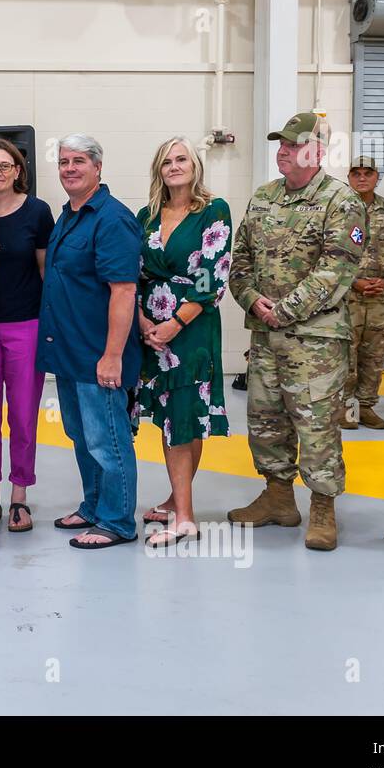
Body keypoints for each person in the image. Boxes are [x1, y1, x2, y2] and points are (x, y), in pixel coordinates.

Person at [227, 111, 364, 551]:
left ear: (318, 152)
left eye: (293, 145)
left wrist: (281, 311)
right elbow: (239, 262)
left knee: (316, 424)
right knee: (265, 421)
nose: (283, 151)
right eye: (280, 145)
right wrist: (251, 300)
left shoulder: (341, 202)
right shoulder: (264, 198)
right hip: (266, 338)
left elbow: (335, 271)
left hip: (316, 340)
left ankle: (323, 506)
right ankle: (278, 498)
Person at [39, 134, 143, 550]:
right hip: (70, 352)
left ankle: (118, 521)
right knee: (81, 436)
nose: (69, 169)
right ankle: (94, 506)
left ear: (98, 167)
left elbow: (123, 291)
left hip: (100, 354)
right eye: (64, 161)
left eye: (79, 161)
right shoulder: (69, 215)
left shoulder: (112, 219)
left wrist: (113, 356)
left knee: (108, 438)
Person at [135, 137, 232, 547]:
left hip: (191, 327)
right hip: (151, 330)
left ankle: (186, 518)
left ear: (195, 166)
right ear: (159, 169)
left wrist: (175, 323)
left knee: (183, 414)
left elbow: (214, 274)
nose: (175, 166)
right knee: (175, 414)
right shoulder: (147, 215)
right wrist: (142, 321)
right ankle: (178, 499)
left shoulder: (214, 210)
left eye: (182, 159)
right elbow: (135, 274)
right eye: (167, 161)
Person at [0, 138, 53, 534]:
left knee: (22, 416)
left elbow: (45, 272)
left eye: (5, 166)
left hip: (26, 326)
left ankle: (19, 494)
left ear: (19, 170)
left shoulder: (38, 212)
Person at [339, 156, 384, 430]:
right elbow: (327, 252)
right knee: (346, 354)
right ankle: (347, 409)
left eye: (368, 173)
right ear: (349, 177)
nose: (362, 178)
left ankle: (366, 407)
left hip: (380, 297)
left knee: (374, 356)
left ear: (377, 177)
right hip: (347, 295)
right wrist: (354, 281)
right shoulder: (338, 209)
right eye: (356, 173)